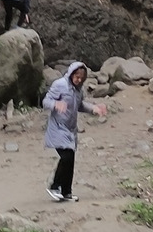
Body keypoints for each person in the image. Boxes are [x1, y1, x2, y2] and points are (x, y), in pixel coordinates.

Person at [42, 60, 106, 202]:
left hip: (70, 130)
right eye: (76, 77)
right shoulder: (60, 85)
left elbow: (80, 105)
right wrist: (56, 104)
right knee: (66, 158)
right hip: (57, 128)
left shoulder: (78, 90)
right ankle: (54, 186)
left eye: (81, 78)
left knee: (70, 160)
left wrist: (93, 108)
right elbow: (46, 101)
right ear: (71, 74)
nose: (78, 80)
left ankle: (66, 192)